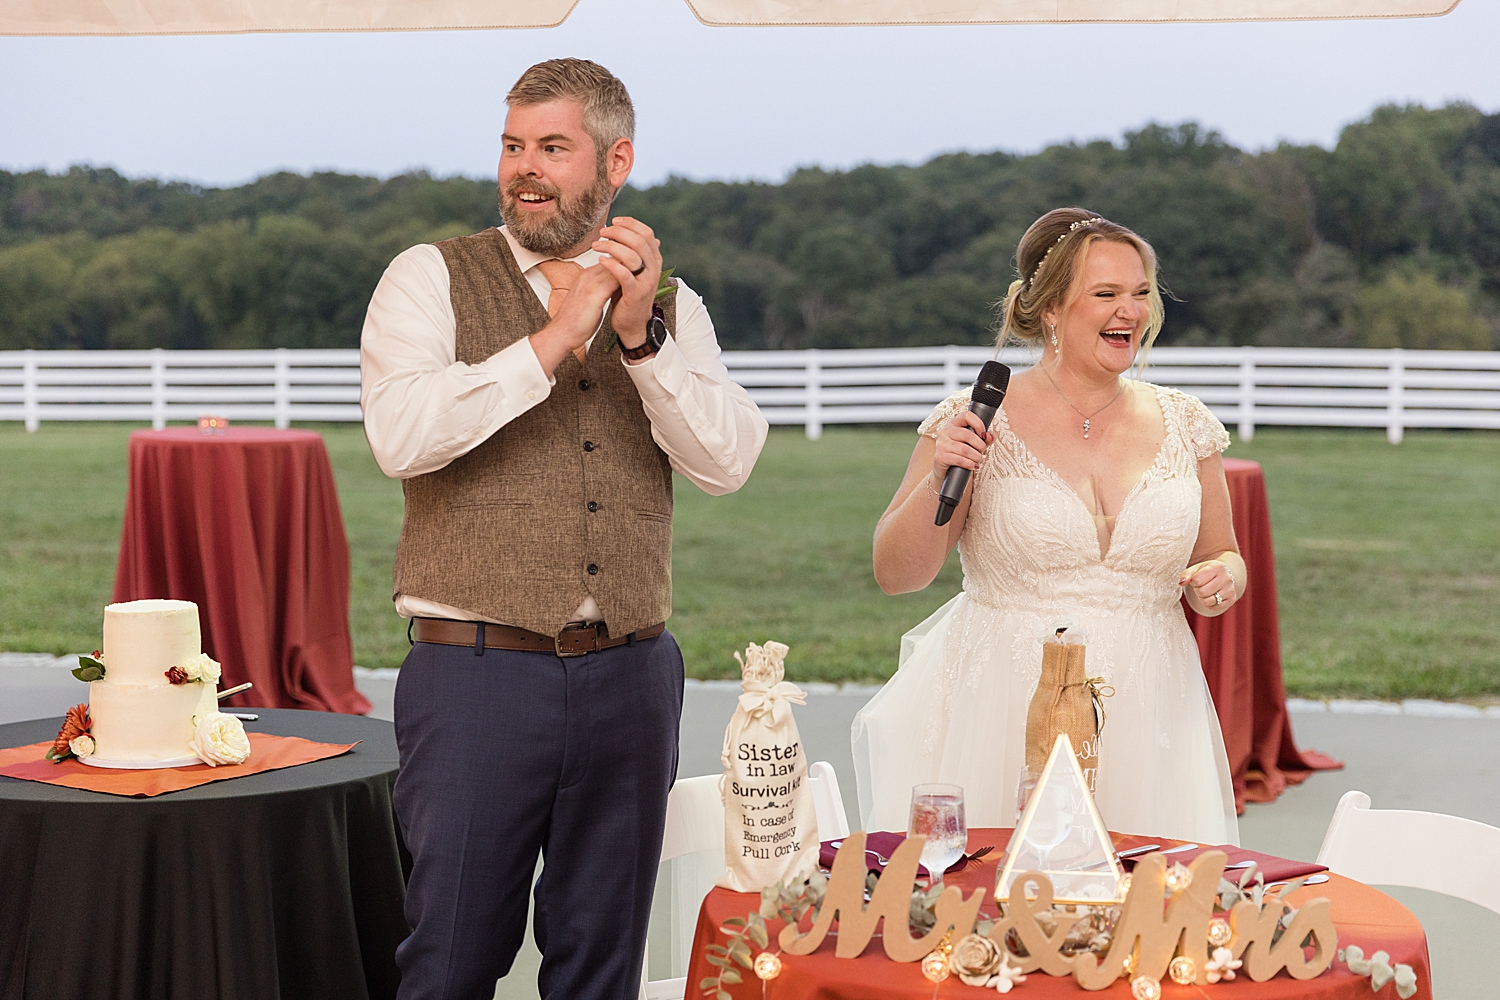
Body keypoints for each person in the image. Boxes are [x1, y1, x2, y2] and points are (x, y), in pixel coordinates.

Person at [359, 58, 767, 1000]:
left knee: (601, 966)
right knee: (450, 961)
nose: (524, 169)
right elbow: (402, 436)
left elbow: (727, 463)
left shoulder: (672, 311)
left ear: (615, 161)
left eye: (552, 147)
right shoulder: (429, 278)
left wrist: (636, 341)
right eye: (512, 146)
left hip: (631, 678)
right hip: (474, 678)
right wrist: (552, 337)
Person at [853, 208, 1242, 846]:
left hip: (1149, 707)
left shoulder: (1185, 422)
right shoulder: (977, 418)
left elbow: (1225, 553)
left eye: (1141, 293)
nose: (1131, 311)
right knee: (994, 916)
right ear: (1053, 310)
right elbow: (897, 574)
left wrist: (1221, 578)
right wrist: (942, 473)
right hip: (1003, 706)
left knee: (1144, 917)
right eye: (1107, 294)